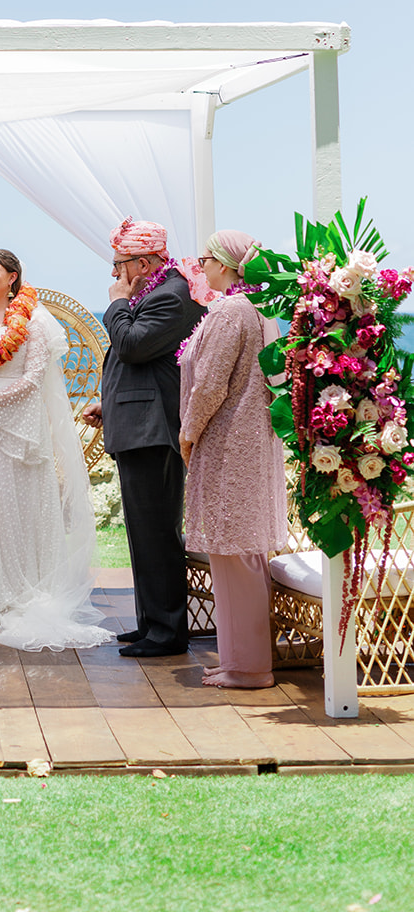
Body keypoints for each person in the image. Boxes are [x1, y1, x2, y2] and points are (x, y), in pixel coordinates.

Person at [0, 249, 112, 650]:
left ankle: (8, 595)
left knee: (6, 509)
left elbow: (32, 380)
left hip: (11, 430)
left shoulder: (34, 321)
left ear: (12, 277)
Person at [81, 217, 207, 658]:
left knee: (157, 532)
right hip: (139, 423)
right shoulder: (157, 290)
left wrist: (115, 304)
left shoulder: (172, 295)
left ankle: (169, 632)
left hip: (154, 432)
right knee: (143, 532)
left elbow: (132, 344)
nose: (115, 275)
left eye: (120, 265)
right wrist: (109, 404)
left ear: (147, 261)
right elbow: (144, 365)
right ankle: (150, 623)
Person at [179, 230, 287, 689]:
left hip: (228, 444)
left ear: (224, 265)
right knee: (243, 555)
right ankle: (239, 660)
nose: (200, 267)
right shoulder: (261, 310)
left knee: (234, 554)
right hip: (253, 443)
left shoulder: (229, 311)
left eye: (205, 258)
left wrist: (188, 432)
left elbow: (210, 384)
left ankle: (248, 668)